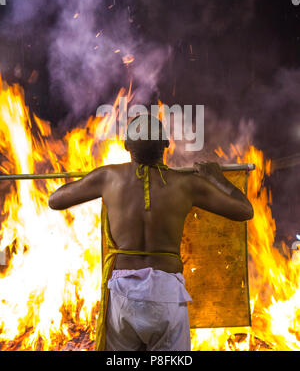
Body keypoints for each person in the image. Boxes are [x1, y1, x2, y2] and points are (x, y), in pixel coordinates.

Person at [48, 114, 253, 351]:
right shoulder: (186, 185)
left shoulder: (107, 177)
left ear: (126, 146)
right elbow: (244, 210)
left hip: (122, 293)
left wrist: (91, 179)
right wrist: (217, 178)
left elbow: (55, 200)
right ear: (166, 144)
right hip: (167, 294)